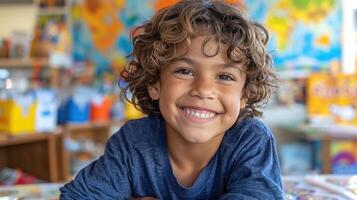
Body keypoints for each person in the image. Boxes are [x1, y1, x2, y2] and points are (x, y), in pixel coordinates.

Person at [60, 0, 284, 199]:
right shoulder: (134, 142)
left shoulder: (251, 140)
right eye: (185, 71)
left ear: (244, 94)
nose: (203, 90)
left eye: (225, 77)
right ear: (155, 83)